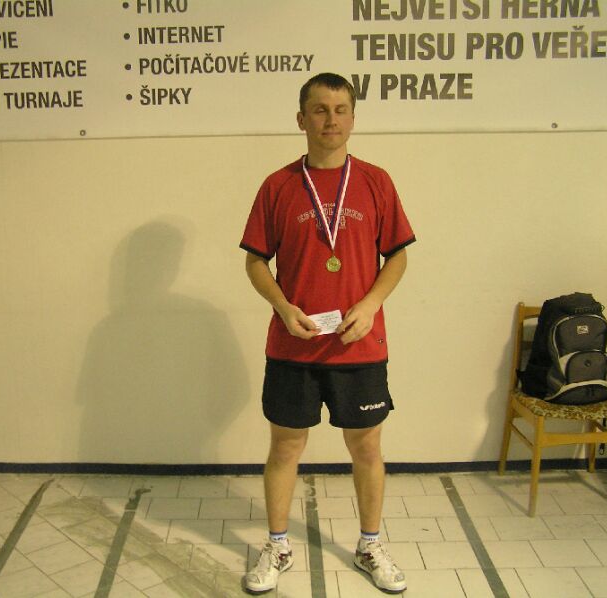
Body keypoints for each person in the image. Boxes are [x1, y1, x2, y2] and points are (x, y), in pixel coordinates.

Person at [239, 72, 415, 594]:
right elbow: (255, 262)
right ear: (301, 119)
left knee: (367, 448)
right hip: (293, 344)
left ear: (353, 118)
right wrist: (281, 305)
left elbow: (398, 255)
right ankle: (277, 545)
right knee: (285, 448)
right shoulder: (277, 185)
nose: (330, 120)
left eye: (340, 110)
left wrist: (372, 303)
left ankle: (369, 544)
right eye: (319, 110)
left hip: (359, 346)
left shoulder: (377, 181)